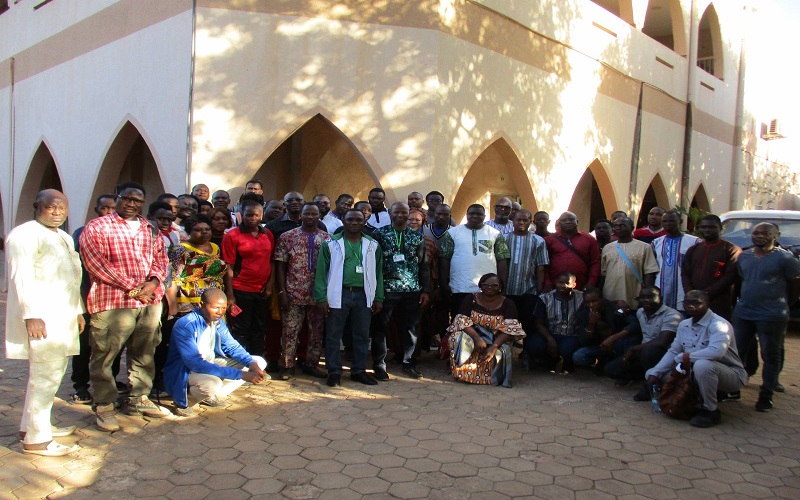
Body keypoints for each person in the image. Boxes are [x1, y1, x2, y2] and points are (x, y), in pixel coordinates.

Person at [80, 182, 170, 431]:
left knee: (144, 352)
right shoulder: (97, 227)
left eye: (137, 200)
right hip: (113, 302)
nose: (131, 204)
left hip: (148, 303)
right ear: (117, 198)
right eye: (126, 198)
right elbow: (96, 264)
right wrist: (135, 288)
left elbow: (161, 260)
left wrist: (153, 282)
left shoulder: (150, 229)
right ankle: (105, 405)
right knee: (105, 354)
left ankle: (138, 398)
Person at [6, 189, 83, 456]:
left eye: (62, 208)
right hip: (43, 317)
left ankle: (32, 427)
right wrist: (31, 315)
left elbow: (72, 277)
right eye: (51, 207)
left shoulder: (63, 236)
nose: (57, 212)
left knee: (52, 374)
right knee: (44, 375)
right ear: (37, 206)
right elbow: (21, 277)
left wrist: (78, 311)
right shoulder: (24, 235)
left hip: (64, 316)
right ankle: (37, 441)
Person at [646, 290, 747, 428]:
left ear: (708, 304)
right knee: (652, 373)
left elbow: (717, 352)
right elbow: (674, 351)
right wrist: (656, 372)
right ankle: (690, 400)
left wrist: (683, 357)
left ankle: (710, 410)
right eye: (687, 302)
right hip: (694, 372)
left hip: (730, 374)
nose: (691, 306)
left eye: (696, 303)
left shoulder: (719, 325)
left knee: (703, 365)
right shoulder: (684, 324)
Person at [164, 289, 268, 417]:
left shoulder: (217, 322)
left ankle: (210, 395)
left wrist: (252, 364)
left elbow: (232, 346)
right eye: (215, 308)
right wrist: (241, 375)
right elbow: (195, 363)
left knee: (259, 362)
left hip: (209, 363)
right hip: (186, 370)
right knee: (213, 384)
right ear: (201, 305)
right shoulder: (186, 325)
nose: (220, 312)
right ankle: (184, 401)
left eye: (223, 308)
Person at [733, 222, 800, 412]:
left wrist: (782, 305)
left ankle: (766, 394)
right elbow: (741, 282)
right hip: (744, 313)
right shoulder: (744, 256)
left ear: (775, 236)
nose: (760, 236)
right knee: (737, 352)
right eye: (756, 233)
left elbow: (795, 286)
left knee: (770, 354)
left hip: (771, 315)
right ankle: (733, 388)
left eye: (765, 233)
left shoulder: (785, 259)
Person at [314, 209, 384, 387]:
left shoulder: (372, 244)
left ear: (364, 222)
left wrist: (378, 297)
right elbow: (321, 273)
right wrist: (321, 298)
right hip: (339, 294)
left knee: (362, 335)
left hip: (364, 295)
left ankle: (358, 371)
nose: (354, 223)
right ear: (343, 221)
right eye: (350, 219)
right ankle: (334, 371)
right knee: (333, 335)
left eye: (358, 220)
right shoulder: (331, 244)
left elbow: (378, 273)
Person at [371, 202, 431, 380]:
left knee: (411, 328)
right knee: (380, 328)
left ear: (408, 214)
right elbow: (372, 263)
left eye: (403, 212)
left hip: (411, 289)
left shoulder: (416, 236)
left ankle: (409, 363)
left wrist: (426, 290)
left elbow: (423, 265)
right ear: (390, 213)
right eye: (396, 211)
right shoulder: (379, 234)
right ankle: (379, 365)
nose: (400, 215)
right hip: (386, 289)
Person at [70, 193, 118, 405]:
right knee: (85, 344)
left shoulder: (121, 233)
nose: (109, 212)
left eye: (113, 208)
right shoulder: (83, 232)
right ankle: (80, 385)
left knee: (113, 344)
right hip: (88, 295)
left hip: (114, 300)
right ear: (96, 210)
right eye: (105, 208)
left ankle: (110, 381)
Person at [274, 203, 330, 379]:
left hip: (318, 295)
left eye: (314, 214)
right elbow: (280, 265)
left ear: (319, 216)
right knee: (290, 331)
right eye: (307, 214)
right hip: (293, 292)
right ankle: (287, 366)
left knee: (316, 332)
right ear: (301, 215)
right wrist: (282, 292)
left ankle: (311, 364)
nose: (310, 217)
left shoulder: (327, 239)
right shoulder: (287, 237)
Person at [446, 273, 526, 387]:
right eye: (486, 284)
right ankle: (461, 373)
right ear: (480, 285)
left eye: (494, 285)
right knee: (455, 338)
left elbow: (510, 330)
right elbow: (461, 320)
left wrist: (494, 347)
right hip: (473, 336)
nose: (489, 287)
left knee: (500, 350)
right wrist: (477, 339)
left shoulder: (508, 303)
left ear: (500, 287)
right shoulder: (471, 298)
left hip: (497, 340)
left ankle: (492, 377)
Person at [604, 286, 683, 396]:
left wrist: (634, 348)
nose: (645, 300)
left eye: (650, 297)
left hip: (664, 355)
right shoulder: (640, 312)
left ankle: (651, 386)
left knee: (649, 351)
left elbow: (662, 341)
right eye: (642, 297)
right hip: (643, 353)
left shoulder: (672, 315)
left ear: (661, 298)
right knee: (611, 369)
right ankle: (645, 377)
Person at [221, 200, 275, 357]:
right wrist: (230, 294)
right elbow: (229, 266)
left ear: (261, 216)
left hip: (262, 290)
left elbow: (271, 260)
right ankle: (240, 361)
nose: (253, 218)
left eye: (256, 215)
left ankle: (257, 361)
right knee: (241, 328)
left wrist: (270, 284)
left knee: (260, 327)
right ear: (242, 215)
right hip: (240, 289)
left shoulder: (267, 234)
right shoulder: (232, 236)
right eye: (249, 215)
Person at [439, 204, 510, 321]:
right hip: (459, 287)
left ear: (484, 216)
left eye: (479, 214)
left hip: (487, 289)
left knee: (485, 322)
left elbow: (502, 260)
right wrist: (443, 283)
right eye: (472, 213)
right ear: (467, 215)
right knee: (459, 322)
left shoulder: (495, 234)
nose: (475, 216)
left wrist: (502, 284)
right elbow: (444, 259)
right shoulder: (453, 233)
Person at [681, 214, 740, 320]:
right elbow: (685, 273)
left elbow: (730, 277)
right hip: (695, 303)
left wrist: (705, 294)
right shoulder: (694, 249)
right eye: (703, 227)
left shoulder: (731, 250)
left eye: (712, 227)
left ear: (721, 228)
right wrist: (691, 293)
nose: (707, 230)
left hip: (719, 302)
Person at [524, 272, 583, 372]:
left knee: (567, 349)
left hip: (571, 335)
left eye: (567, 283)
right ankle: (548, 360)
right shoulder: (545, 298)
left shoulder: (581, 298)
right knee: (535, 345)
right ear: (555, 282)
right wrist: (549, 338)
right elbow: (538, 323)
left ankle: (567, 362)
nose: (563, 285)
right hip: (550, 332)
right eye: (560, 282)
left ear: (574, 285)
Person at [571, 287, 639, 373]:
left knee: (628, 340)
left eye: (594, 301)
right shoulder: (583, 314)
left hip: (617, 344)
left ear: (601, 300)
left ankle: (622, 366)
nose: (591, 305)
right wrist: (591, 325)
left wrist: (612, 338)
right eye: (587, 302)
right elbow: (584, 342)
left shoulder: (614, 308)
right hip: (598, 346)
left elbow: (634, 324)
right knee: (578, 356)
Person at [600, 217, 658, 309]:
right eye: (615, 226)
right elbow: (603, 274)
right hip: (610, 295)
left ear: (632, 228)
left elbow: (649, 273)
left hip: (634, 294)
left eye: (622, 225)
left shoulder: (644, 247)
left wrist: (645, 294)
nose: (618, 228)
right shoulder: (607, 248)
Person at [505, 209, 549, 331]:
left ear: (531, 222)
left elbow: (541, 266)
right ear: (513, 221)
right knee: (508, 321)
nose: (521, 223)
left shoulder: (538, 240)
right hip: (507, 289)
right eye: (518, 220)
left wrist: (539, 288)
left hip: (528, 289)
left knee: (526, 322)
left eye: (525, 220)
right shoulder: (503, 238)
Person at [651, 210, 699, 312]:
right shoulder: (656, 243)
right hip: (661, 288)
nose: (668, 224)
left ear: (680, 222)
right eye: (665, 221)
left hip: (683, 290)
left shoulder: (694, 242)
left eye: (672, 221)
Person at [544, 211, 600, 290]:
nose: (567, 222)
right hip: (555, 286)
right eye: (564, 220)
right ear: (559, 223)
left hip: (581, 286)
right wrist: (547, 282)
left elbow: (595, 262)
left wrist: (591, 283)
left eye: (571, 220)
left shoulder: (589, 239)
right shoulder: (549, 239)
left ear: (577, 222)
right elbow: (544, 263)